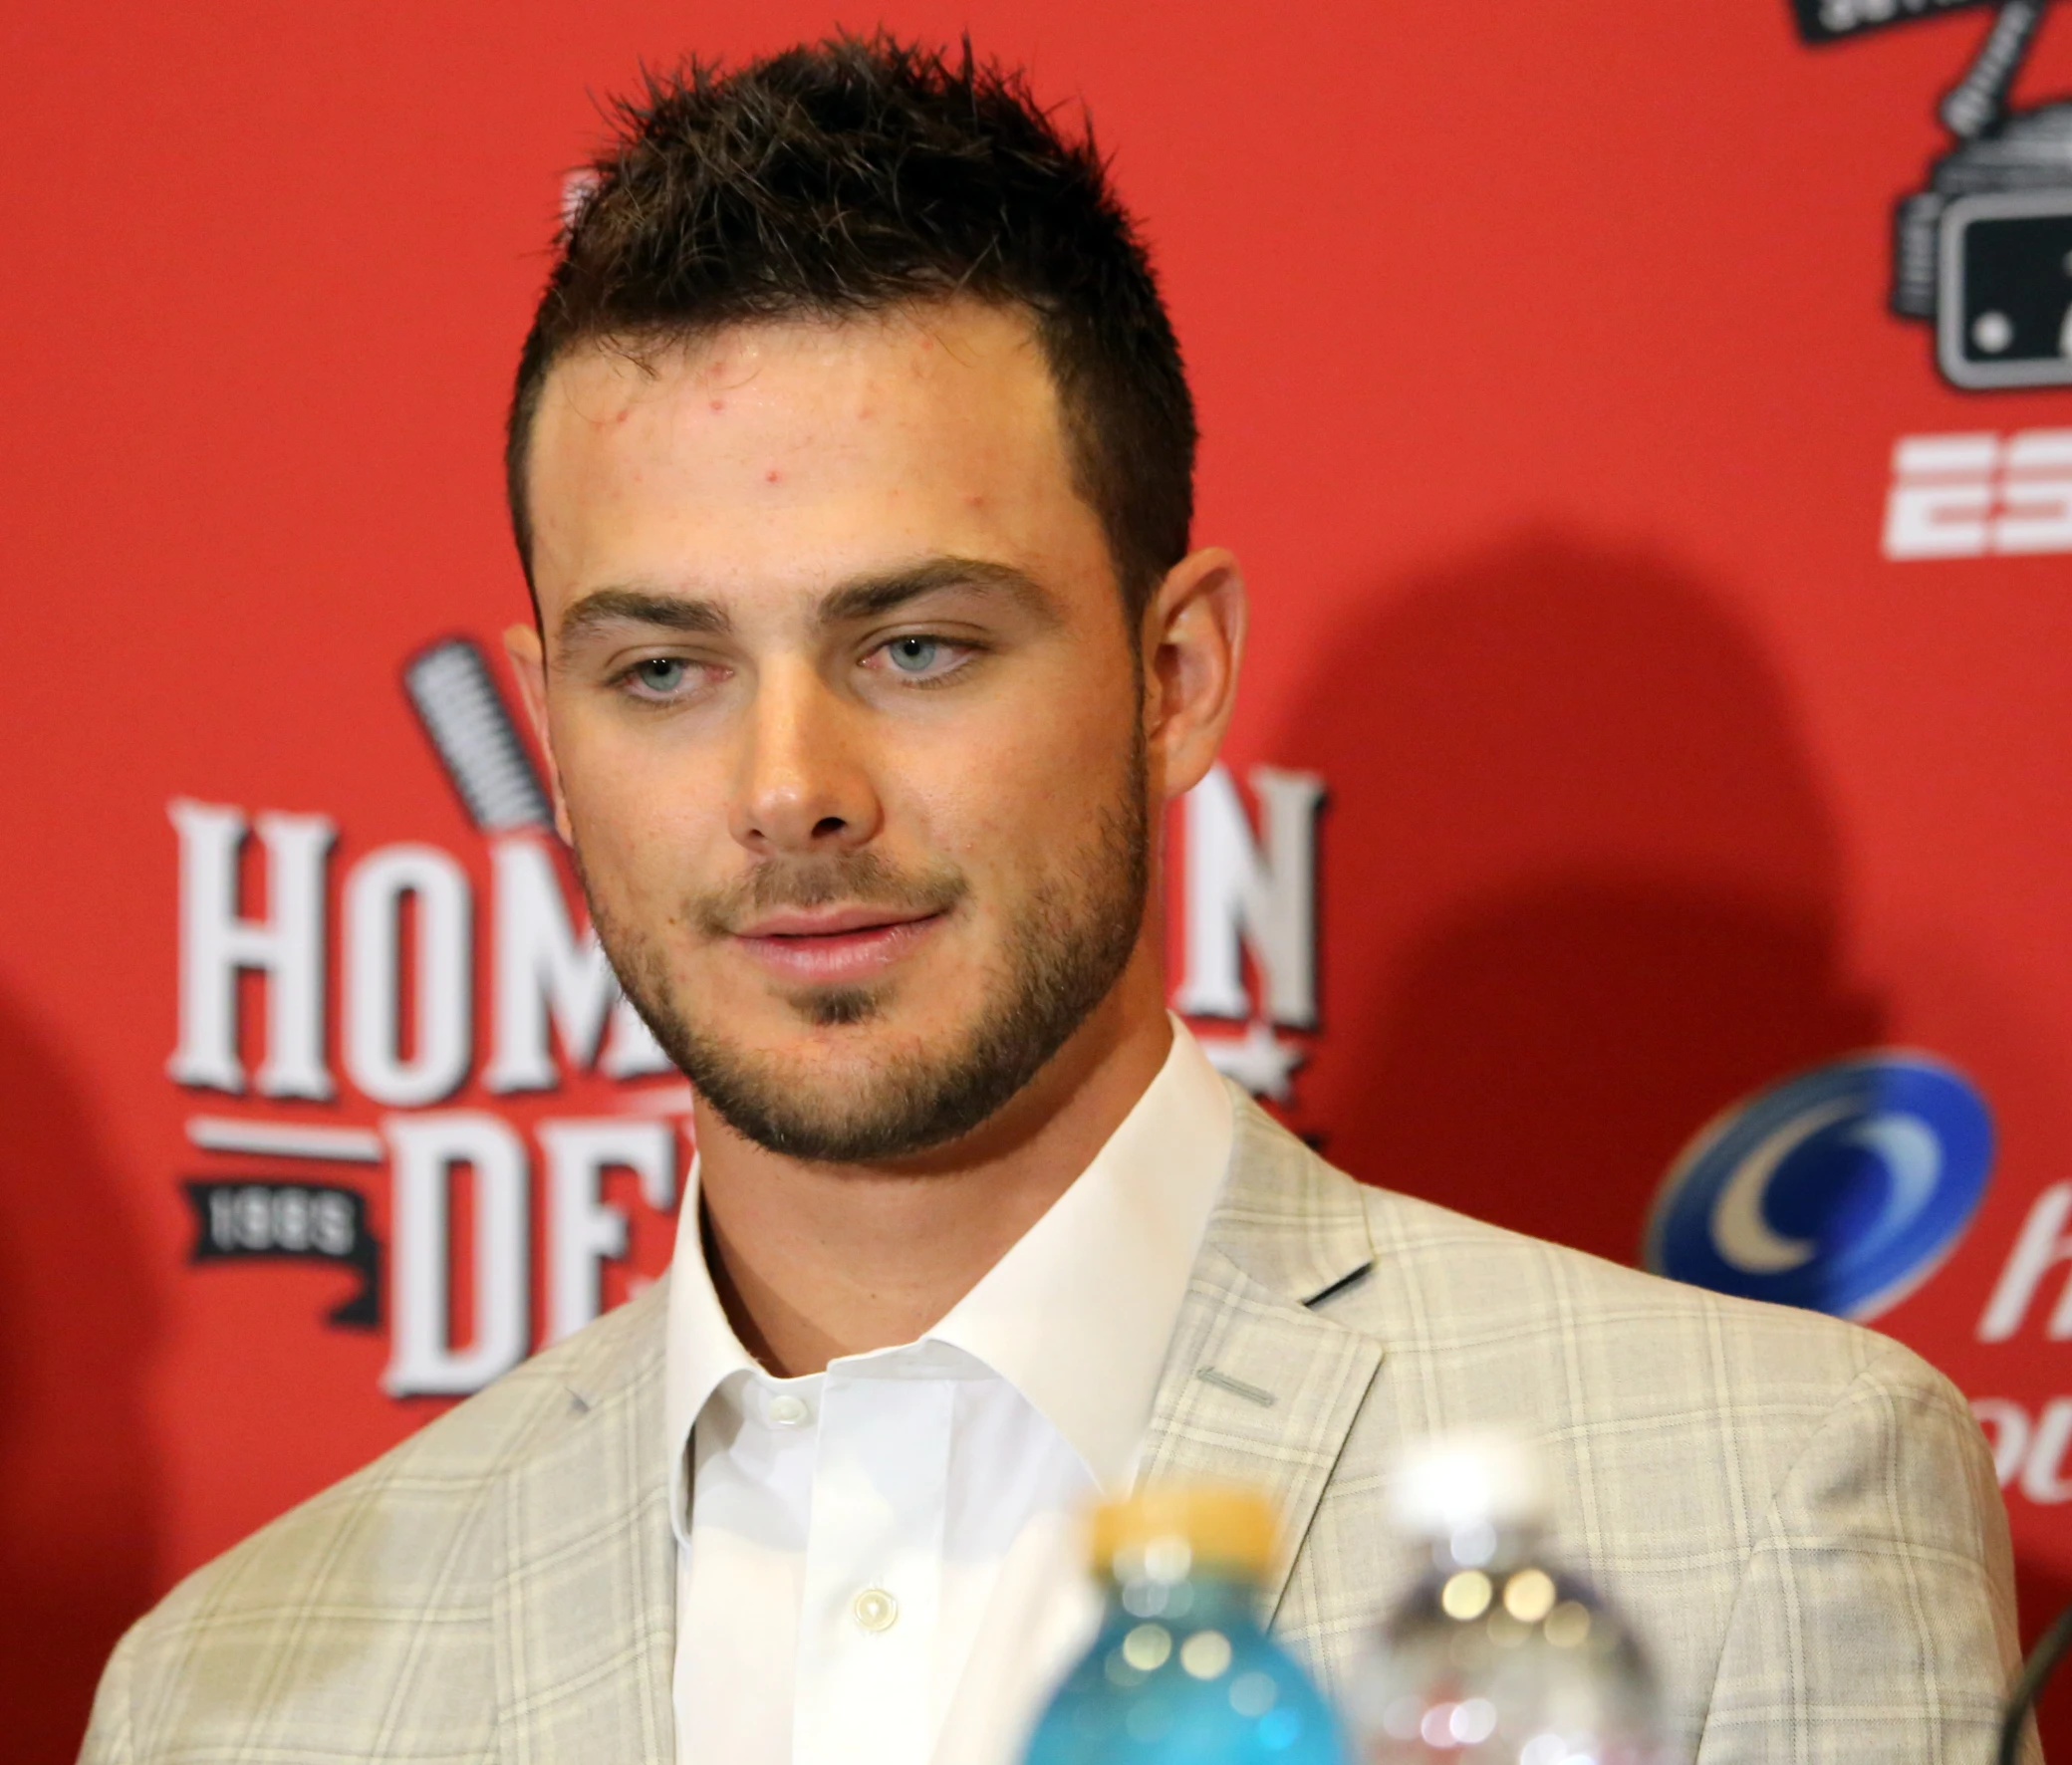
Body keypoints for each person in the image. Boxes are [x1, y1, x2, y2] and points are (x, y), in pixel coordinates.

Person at [83, 34, 2026, 1765]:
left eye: (915, 645)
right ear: (548, 729)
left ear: (1171, 675)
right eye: (661, 670)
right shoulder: (230, 1691)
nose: (788, 793)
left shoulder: (1758, 1499)